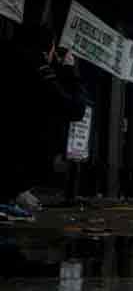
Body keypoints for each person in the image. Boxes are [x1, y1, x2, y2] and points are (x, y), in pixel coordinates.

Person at [0, 29, 88, 217]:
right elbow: (73, 108)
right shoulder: (35, 65)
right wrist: (70, 71)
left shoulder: (13, 58)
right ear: (46, 50)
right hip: (17, 157)